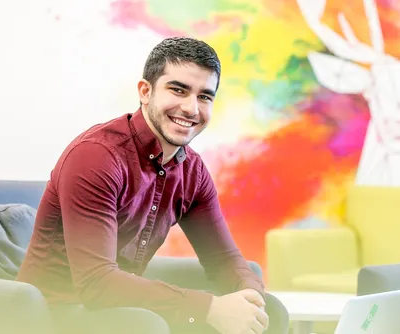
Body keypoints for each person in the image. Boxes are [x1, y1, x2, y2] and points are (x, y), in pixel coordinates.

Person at [16, 37, 289, 334]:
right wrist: (208, 308)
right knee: (147, 324)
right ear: (145, 92)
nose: (191, 108)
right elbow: (97, 283)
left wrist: (251, 300)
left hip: (123, 309)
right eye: (178, 90)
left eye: (204, 97)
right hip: (53, 313)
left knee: (269, 312)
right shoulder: (96, 156)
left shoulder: (192, 171)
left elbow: (224, 259)